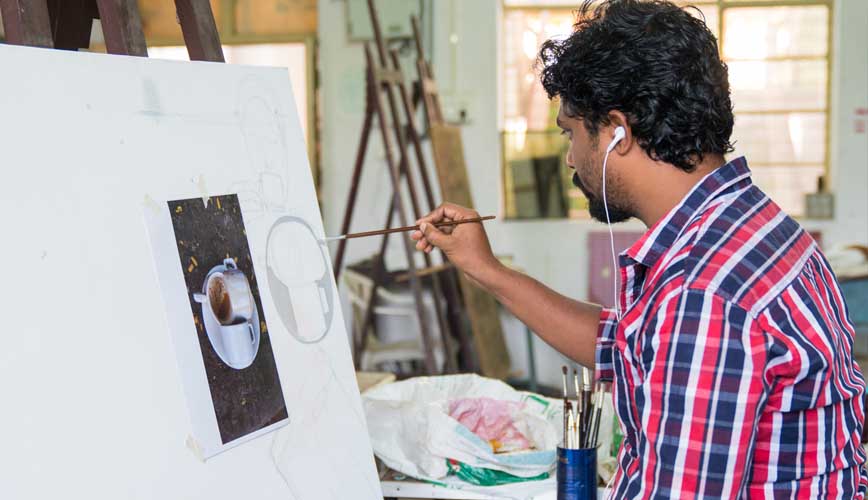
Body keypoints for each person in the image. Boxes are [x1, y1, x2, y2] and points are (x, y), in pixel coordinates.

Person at [411, 0, 867, 498]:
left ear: (617, 133)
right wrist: (487, 270)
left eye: (570, 133)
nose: (570, 158)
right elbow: (628, 348)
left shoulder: (701, 292)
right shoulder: (752, 224)